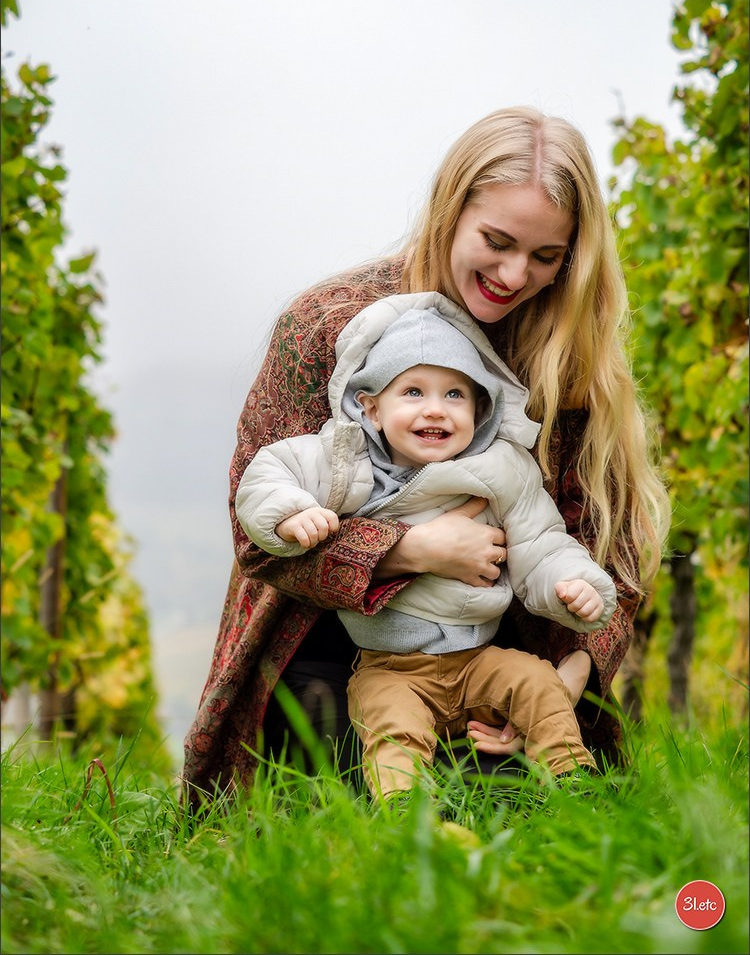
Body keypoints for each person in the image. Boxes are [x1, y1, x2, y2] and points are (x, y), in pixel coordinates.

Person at [182, 106, 670, 808]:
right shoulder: (327, 322)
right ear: (451, 209)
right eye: (496, 241)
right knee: (339, 820)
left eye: (544, 256)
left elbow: (610, 548)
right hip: (324, 648)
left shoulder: (572, 352)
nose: (512, 274)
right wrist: (410, 550)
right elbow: (257, 537)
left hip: (500, 661)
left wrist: (569, 675)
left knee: (516, 834)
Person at [235, 296, 618, 798]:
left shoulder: (502, 468)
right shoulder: (345, 459)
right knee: (390, 725)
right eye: (412, 392)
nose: (435, 408)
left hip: (480, 656)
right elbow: (267, 473)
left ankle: (573, 778)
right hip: (388, 664)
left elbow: (542, 544)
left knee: (536, 682)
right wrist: (290, 513)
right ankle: (406, 812)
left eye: (455, 394)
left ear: (480, 408)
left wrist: (573, 585)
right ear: (371, 408)